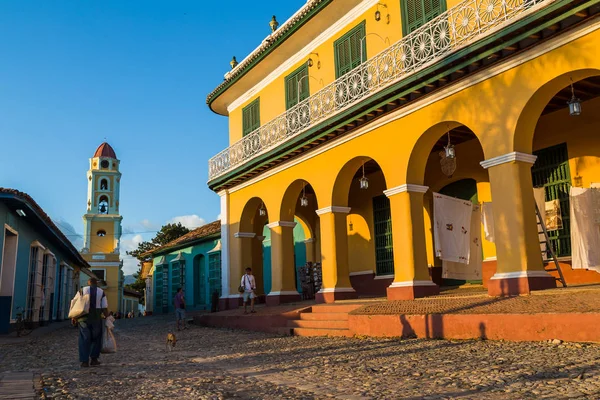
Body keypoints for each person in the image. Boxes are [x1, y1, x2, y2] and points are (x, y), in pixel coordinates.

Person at [72, 278, 108, 368]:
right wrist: (108, 317)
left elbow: (75, 303)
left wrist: (73, 317)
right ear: (96, 283)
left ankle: (84, 361)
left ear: (88, 283)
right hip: (96, 318)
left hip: (83, 318)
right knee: (96, 339)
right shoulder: (101, 291)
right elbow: (104, 307)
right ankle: (94, 359)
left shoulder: (82, 290)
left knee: (84, 338)